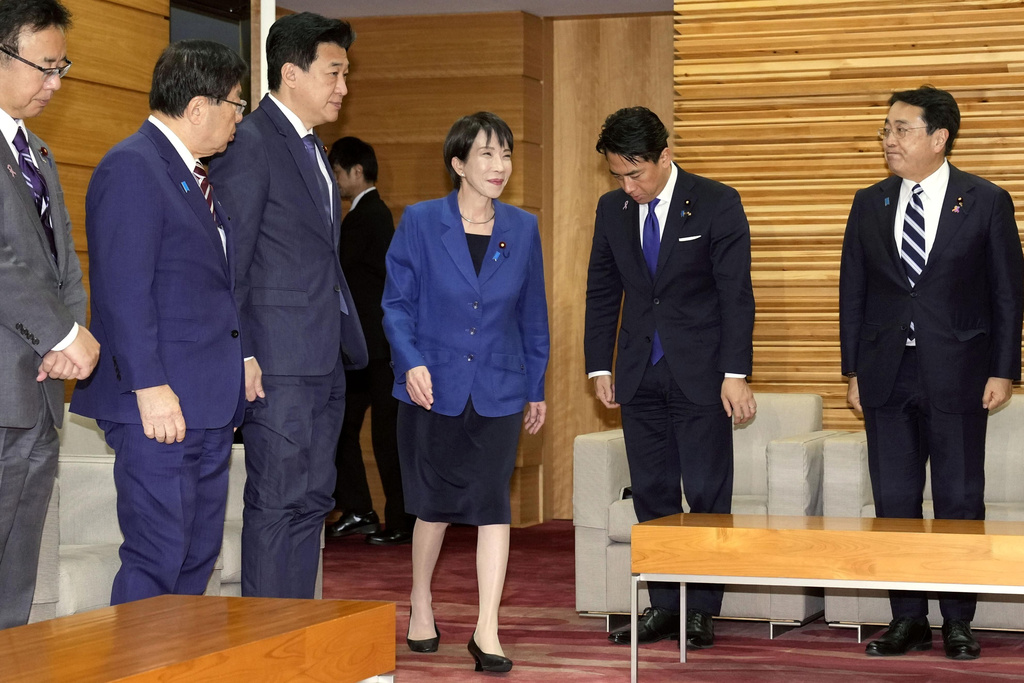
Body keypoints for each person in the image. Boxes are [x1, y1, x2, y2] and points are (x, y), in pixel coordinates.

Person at [839, 85, 1023, 661]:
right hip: (886, 371)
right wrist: (852, 370)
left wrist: (1003, 370)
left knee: (959, 499)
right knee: (894, 501)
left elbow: (1007, 294)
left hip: (962, 371)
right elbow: (853, 291)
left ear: (939, 138)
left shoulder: (986, 200)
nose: (888, 139)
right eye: (886, 129)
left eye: (901, 129)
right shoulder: (870, 202)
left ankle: (959, 621)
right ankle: (908, 619)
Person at [70, 40, 248, 605]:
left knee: (196, 555)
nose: (239, 118)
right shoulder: (133, 166)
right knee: (157, 555)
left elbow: (209, 287)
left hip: (205, 400)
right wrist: (148, 386)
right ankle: (136, 656)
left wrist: (241, 358)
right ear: (198, 107)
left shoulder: (192, 173)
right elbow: (123, 291)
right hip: (158, 401)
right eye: (236, 104)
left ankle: (181, 654)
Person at [382, 112, 548, 673]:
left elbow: (533, 316)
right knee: (432, 508)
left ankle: (487, 628)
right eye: (487, 154)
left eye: (506, 155)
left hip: (499, 389)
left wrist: (535, 386)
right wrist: (411, 362)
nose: (500, 166)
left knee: (492, 504)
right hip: (433, 387)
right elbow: (396, 306)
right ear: (458, 163)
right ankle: (421, 600)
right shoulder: (420, 222)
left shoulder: (523, 228)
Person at [208, 12, 367, 599]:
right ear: (291, 73)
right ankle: (268, 640)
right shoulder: (250, 143)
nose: (343, 87)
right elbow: (233, 261)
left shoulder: (313, 148)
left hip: (323, 358)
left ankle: (298, 634)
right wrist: (243, 352)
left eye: (346, 74)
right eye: (334, 72)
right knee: (277, 502)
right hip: (275, 362)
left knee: (313, 501)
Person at [584, 106, 756, 650]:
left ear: (664, 155)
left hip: (702, 374)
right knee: (652, 494)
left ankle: (701, 609)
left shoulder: (716, 201)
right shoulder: (612, 209)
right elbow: (602, 290)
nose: (627, 186)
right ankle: (663, 606)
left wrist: (735, 373)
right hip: (639, 373)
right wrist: (600, 364)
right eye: (618, 175)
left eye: (635, 173)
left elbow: (735, 294)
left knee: (706, 493)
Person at [0, 0, 99, 630]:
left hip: (36, 390)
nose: (55, 83)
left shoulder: (35, 150)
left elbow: (64, 263)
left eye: (62, 67)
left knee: (16, 569)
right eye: (45, 66)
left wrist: (70, 339)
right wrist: (62, 334)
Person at [326, 136, 414, 546]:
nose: (335, 180)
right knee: (344, 427)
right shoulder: (365, 215)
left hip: (378, 350)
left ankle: (402, 521)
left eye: (338, 172)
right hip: (364, 351)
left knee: (387, 437)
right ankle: (360, 509)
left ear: (356, 172)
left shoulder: (371, 215)